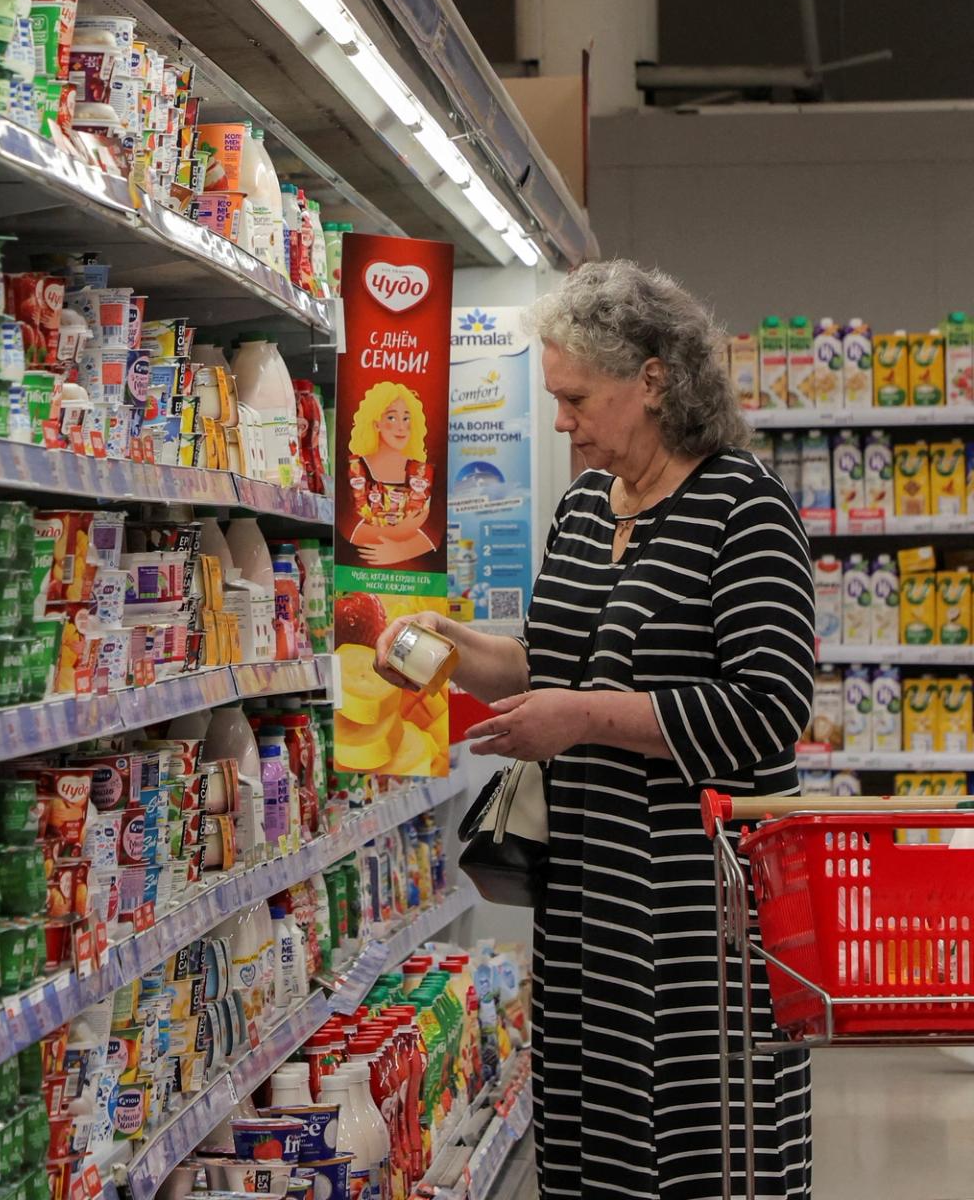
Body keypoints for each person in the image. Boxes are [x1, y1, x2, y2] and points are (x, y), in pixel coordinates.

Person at [375, 261, 813, 1199]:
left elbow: (769, 706)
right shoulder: (580, 511)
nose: (562, 421)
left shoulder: (745, 509)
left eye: (575, 398)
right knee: (593, 1141)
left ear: (652, 378)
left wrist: (581, 722)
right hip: (586, 897)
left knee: (701, 1144)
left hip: (702, 910)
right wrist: (451, 648)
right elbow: (555, 659)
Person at [344, 381, 435, 566]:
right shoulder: (354, 468)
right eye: (392, 418)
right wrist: (401, 532)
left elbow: (436, 531)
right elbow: (349, 529)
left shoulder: (423, 473)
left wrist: (402, 550)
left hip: (416, 584)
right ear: (376, 423)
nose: (401, 427)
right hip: (360, 579)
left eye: (406, 418)